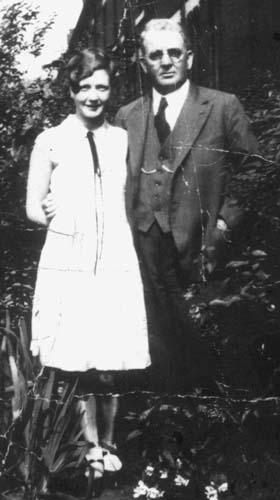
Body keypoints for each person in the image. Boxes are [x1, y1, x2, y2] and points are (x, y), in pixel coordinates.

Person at [115, 19, 260, 392]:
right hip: (145, 261)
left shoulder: (223, 107)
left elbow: (254, 174)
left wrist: (225, 224)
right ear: (142, 62)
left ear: (189, 58)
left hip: (204, 251)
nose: (166, 61)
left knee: (209, 364)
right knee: (158, 364)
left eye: (174, 53)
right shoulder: (126, 117)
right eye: (156, 55)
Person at [26, 48, 150, 480]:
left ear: (111, 90)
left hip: (115, 254)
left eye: (102, 87)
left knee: (111, 356)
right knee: (79, 356)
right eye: (85, 87)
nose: (94, 96)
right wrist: (53, 210)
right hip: (69, 257)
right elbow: (32, 209)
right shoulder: (51, 140)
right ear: (71, 90)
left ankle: (110, 441)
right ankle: (90, 446)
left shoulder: (121, 138)